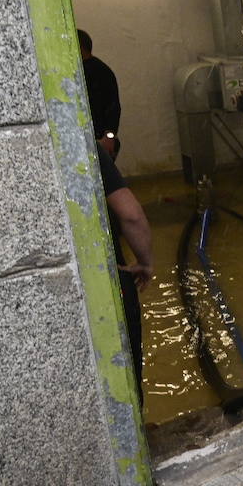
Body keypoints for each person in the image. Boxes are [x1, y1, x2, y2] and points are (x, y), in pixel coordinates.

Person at [97, 147, 153, 404]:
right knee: (127, 368)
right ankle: (136, 430)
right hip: (109, 280)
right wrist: (145, 262)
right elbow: (131, 215)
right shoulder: (89, 150)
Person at [79, 29, 122, 160]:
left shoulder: (100, 72)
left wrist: (109, 136)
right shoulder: (102, 70)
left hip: (98, 139)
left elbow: (113, 106)